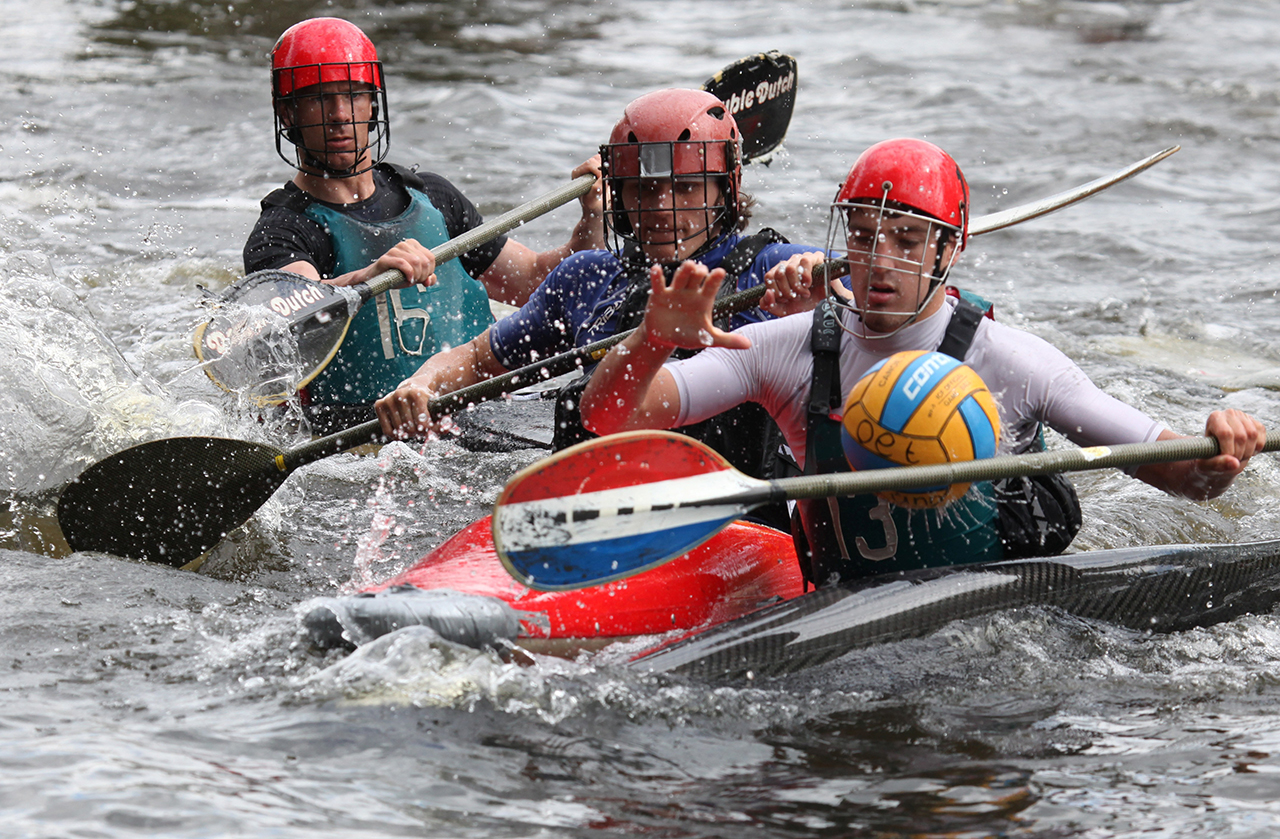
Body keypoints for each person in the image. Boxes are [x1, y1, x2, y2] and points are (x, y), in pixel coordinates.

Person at [579, 138, 1268, 588]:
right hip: (842, 610)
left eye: (906, 241)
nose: (880, 260)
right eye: (863, 236)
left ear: (949, 250)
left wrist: (1220, 451)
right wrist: (652, 340)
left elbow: (1183, 476)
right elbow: (608, 418)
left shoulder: (1014, 361)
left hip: (998, 628)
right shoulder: (788, 348)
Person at [374, 87, 824, 504]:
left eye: (685, 187)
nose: (661, 207)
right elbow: (477, 360)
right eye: (644, 189)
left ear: (726, 189)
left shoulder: (772, 268)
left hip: (741, 514)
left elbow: (862, 293)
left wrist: (823, 282)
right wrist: (420, 385)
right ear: (619, 195)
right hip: (598, 507)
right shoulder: (588, 277)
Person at [243, 17, 603, 432]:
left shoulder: (433, 197)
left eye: (354, 95)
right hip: (361, 430)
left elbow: (538, 283)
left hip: (480, 410)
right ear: (287, 113)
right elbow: (292, 318)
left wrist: (593, 215)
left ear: (372, 104)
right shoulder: (281, 230)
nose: (340, 115)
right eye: (319, 99)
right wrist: (367, 277)